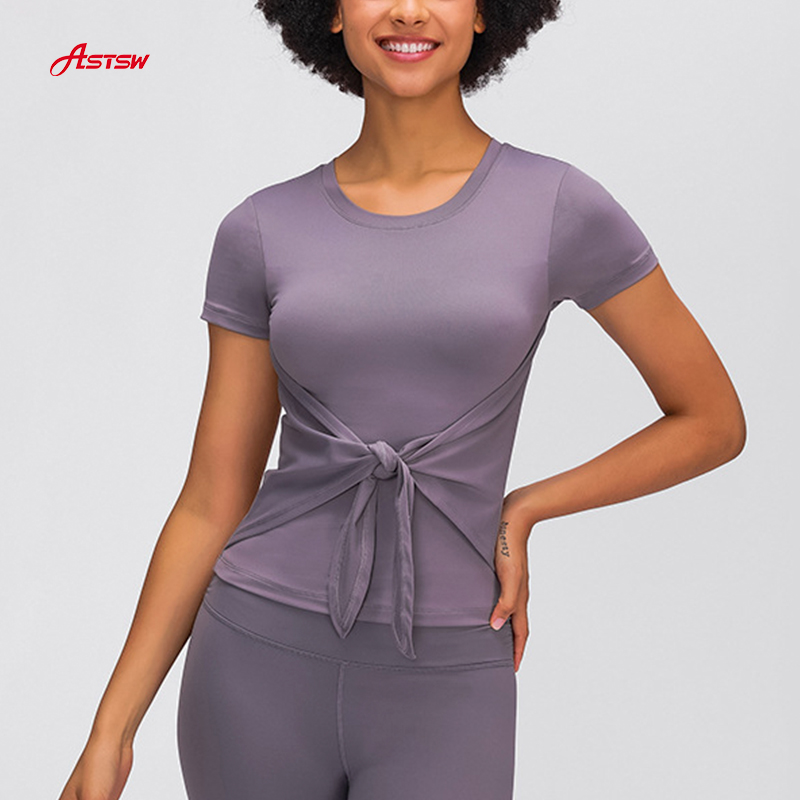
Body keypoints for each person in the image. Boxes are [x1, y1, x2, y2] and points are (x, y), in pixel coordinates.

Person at [58, 1, 747, 799]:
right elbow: (212, 498)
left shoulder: (560, 206)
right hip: (253, 656)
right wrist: (110, 732)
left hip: (451, 675)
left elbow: (711, 420)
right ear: (330, 13)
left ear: (487, 12)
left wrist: (524, 508)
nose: (410, 10)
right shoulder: (261, 229)